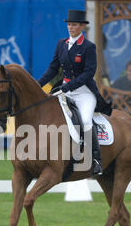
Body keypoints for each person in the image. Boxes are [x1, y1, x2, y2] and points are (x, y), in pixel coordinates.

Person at [37, 9, 103, 175]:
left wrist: (67, 87)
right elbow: (53, 69)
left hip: (84, 93)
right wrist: (37, 85)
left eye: (74, 25)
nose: (70, 27)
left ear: (81, 26)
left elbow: (89, 73)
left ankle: (95, 160)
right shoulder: (61, 44)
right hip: (64, 91)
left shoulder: (88, 47)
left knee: (86, 121)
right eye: (69, 25)